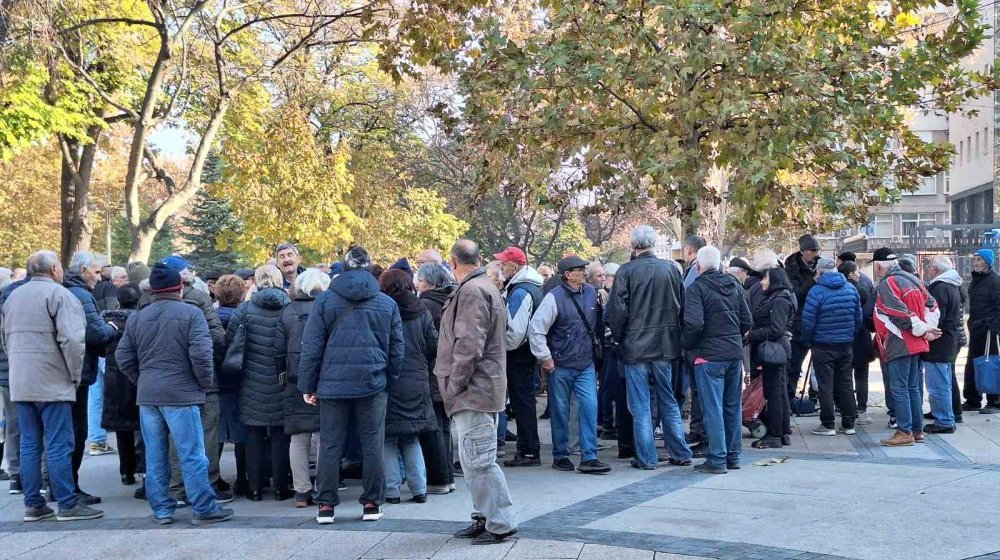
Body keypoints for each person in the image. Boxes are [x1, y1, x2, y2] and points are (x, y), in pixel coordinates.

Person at [115, 263, 234, 525]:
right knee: (191, 453)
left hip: (149, 396)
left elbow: (123, 356)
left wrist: (141, 379)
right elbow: (202, 355)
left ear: (153, 290)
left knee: (155, 455)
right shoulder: (191, 314)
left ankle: (162, 510)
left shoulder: (138, 317)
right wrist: (203, 383)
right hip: (182, 393)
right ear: (180, 287)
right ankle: (203, 507)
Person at [298, 246, 403, 525]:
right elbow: (397, 348)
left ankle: (326, 505)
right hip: (373, 382)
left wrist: (307, 384)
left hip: (331, 386)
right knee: (372, 443)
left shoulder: (324, 301)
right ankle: (371, 502)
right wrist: (388, 378)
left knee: (330, 444)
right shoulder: (386, 303)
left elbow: (311, 347)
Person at [1, 251, 102, 522]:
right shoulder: (60, 296)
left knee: (30, 443)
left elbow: (4, 339)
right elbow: (72, 340)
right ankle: (67, 503)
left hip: (22, 381)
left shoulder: (13, 297)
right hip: (53, 381)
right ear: (55, 269)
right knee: (59, 443)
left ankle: (33, 503)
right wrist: (74, 374)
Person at [437, 240, 518, 545]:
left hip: (474, 389)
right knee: (474, 458)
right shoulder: (481, 287)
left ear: (452, 261)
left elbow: (469, 344)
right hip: (479, 387)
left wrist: (455, 383)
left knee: (479, 459)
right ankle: (485, 516)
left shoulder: (473, 290)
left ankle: (499, 522)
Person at [606, 225, 692, 469]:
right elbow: (682, 306)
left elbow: (616, 312)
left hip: (635, 348)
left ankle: (646, 457)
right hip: (665, 345)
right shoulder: (671, 270)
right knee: (668, 400)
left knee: (641, 405)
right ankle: (680, 452)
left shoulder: (626, 272)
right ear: (653, 244)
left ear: (634, 245)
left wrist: (618, 337)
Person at [529, 255, 611, 475]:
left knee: (589, 408)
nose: (584, 273)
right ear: (567, 274)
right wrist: (545, 357)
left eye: (584, 269)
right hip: (561, 363)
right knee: (560, 411)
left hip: (584, 362)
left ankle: (589, 456)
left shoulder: (591, 293)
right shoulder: (553, 298)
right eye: (579, 270)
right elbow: (536, 328)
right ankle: (561, 455)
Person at [162, 256, 229, 501]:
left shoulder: (147, 301)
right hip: (202, 379)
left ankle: (177, 488)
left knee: (174, 435)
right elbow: (216, 337)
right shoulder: (199, 298)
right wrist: (214, 364)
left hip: (166, 379)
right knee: (208, 431)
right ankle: (207, 484)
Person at [682, 245, 752, 474]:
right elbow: (747, 321)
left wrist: (687, 345)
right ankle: (733, 456)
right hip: (733, 355)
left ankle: (717, 458)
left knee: (712, 408)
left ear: (699, 266)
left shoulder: (697, 288)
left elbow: (694, 324)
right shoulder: (734, 285)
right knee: (732, 407)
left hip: (708, 356)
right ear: (721, 264)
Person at [225, 265, 292, 501]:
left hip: (250, 381)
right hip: (280, 380)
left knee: (252, 435)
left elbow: (230, 343)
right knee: (280, 435)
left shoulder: (244, 310)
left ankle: (254, 488)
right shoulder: (288, 307)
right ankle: (281, 487)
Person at [378, 269, 439, 504]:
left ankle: (392, 491)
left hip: (389, 380)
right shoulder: (420, 309)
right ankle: (419, 489)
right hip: (417, 380)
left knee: (388, 439)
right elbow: (433, 345)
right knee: (412, 438)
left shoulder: (382, 309)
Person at [872, 248, 940, 446]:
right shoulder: (914, 280)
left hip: (899, 342)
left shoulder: (888, 283)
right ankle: (916, 430)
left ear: (878, 266)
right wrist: (927, 328)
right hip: (916, 342)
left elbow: (897, 312)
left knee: (900, 388)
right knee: (912, 388)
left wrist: (922, 329)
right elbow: (932, 306)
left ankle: (904, 431)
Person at [64, 251, 118, 503]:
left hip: (62, 372)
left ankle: (58, 487)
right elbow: (95, 333)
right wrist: (112, 328)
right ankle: (68, 489)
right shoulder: (81, 295)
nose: (100, 277)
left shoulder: (65, 290)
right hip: (77, 371)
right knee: (75, 431)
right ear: (83, 271)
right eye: (96, 272)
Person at [276, 269, 330, 508]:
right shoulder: (328, 307)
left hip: (294, 380)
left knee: (298, 438)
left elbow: (278, 349)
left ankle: (301, 491)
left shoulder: (288, 311)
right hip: (324, 379)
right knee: (323, 437)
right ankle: (323, 487)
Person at [492, 247, 544, 468]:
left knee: (523, 403)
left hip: (519, 356)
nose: (501, 266)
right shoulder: (529, 287)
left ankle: (529, 451)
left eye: (503, 263)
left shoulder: (521, 291)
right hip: (526, 354)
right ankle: (528, 449)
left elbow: (516, 331)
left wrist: (504, 349)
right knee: (524, 402)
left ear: (514, 266)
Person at [800, 258, 862, 436]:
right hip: (845, 344)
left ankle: (828, 424)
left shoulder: (816, 292)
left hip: (822, 344)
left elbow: (808, 322)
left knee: (825, 384)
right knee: (846, 383)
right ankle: (849, 423)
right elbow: (858, 318)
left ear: (819, 272)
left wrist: (808, 340)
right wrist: (850, 335)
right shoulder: (851, 289)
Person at [415, 264, 456, 494]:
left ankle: (439, 479)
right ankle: (447, 476)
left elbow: (427, 343)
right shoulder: (451, 301)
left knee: (434, 428)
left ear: (429, 283)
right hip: (448, 371)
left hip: (431, 372)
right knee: (445, 427)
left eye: (420, 280)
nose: (417, 285)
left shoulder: (425, 305)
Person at [746, 267, 795, 448]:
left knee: (774, 393)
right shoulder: (779, 297)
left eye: (765, 279)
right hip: (776, 351)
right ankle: (781, 432)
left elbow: (776, 330)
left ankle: (775, 434)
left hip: (774, 351)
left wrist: (751, 335)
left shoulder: (780, 300)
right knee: (777, 391)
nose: (762, 282)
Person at [101, 285, 144, 486]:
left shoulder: (108, 322)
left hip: (114, 375)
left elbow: (100, 346)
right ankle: (143, 467)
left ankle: (126, 470)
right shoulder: (142, 320)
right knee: (144, 425)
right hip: (138, 374)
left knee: (122, 427)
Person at [213, 274, 249, 495]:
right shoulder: (244, 317)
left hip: (216, 381)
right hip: (240, 380)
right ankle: (243, 477)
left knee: (214, 433)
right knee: (241, 433)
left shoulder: (211, 317)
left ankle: (214, 477)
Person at [923, 255, 962, 434]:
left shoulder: (939, 288)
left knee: (938, 383)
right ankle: (945, 417)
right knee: (942, 381)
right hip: (948, 340)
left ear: (936, 270)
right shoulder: (952, 286)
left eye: (929, 266)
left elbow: (936, 316)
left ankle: (944, 420)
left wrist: (927, 330)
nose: (927, 269)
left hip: (939, 342)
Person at [0, 272, 30, 495]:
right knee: (31, 426)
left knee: (13, 425)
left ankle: (15, 474)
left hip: (8, 373)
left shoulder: (7, 301)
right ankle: (25, 474)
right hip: (24, 370)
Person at [838, 261, 877, 425]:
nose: (859, 274)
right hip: (861, 337)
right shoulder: (860, 290)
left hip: (842, 338)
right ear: (851, 274)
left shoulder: (838, 290)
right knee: (862, 376)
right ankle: (861, 408)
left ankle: (845, 408)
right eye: (857, 272)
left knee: (844, 377)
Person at [962, 249, 1000, 413]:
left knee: (990, 363)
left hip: (988, 329)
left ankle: (994, 401)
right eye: (975, 259)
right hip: (976, 327)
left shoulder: (995, 281)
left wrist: (993, 326)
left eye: (979, 260)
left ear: (987, 262)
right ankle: (972, 399)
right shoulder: (976, 280)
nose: (976, 262)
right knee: (972, 364)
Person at [784, 234, 820, 401]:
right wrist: (812, 280)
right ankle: (789, 397)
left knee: (821, 365)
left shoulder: (817, 265)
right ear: (803, 252)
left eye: (817, 250)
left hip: (817, 322)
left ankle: (816, 395)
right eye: (813, 251)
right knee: (794, 365)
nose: (816, 254)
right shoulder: (791, 269)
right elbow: (795, 295)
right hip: (799, 324)